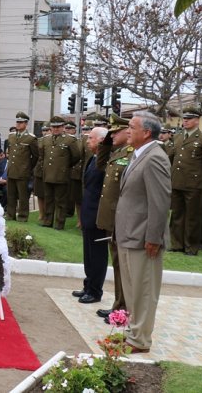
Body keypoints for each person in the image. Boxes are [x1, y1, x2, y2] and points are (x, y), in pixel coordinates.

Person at [115, 111, 171, 353]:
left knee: (144, 291)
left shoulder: (155, 157)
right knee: (132, 290)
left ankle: (140, 340)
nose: (127, 130)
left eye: (131, 127)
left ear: (146, 132)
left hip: (143, 237)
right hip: (128, 233)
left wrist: (153, 237)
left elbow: (159, 202)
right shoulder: (138, 154)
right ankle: (132, 333)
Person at [94, 114, 132, 323]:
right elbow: (101, 165)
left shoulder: (132, 153)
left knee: (122, 265)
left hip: (122, 218)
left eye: (115, 132)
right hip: (112, 218)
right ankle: (118, 305)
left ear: (128, 132)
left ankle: (123, 308)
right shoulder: (117, 152)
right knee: (117, 264)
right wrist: (107, 142)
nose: (112, 135)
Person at [166, 106, 202, 255]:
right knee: (177, 214)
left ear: (197, 120)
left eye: (189, 119)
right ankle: (177, 243)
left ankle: (191, 246)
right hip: (177, 181)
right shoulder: (177, 137)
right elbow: (171, 158)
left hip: (194, 183)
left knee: (193, 216)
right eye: (184, 118)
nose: (185, 121)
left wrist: (199, 177)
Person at [72, 126, 108, 305]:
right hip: (88, 213)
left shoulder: (106, 161)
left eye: (91, 138)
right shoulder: (93, 158)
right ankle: (88, 285)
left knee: (98, 255)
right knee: (88, 254)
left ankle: (95, 291)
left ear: (101, 140)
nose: (87, 141)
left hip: (98, 216)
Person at [40, 116, 80, 230]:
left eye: (58, 127)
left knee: (61, 201)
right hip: (48, 173)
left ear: (63, 127)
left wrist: (65, 166)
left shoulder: (70, 140)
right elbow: (42, 155)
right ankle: (47, 221)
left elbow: (76, 156)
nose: (56, 129)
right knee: (48, 199)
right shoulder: (46, 139)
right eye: (53, 127)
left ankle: (59, 223)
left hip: (61, 174)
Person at [5, 112, 39, 222]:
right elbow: (10, 152)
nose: (18, 124)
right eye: (17, 122)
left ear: (26, 123)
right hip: (11, 170)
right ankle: (10, 215)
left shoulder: (30, 138)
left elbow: (36, 155)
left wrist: (28, 167)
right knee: (11, 195)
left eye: (21, 122)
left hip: (23, 171)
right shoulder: (11, 136)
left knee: (23, 196)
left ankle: (22, 216)